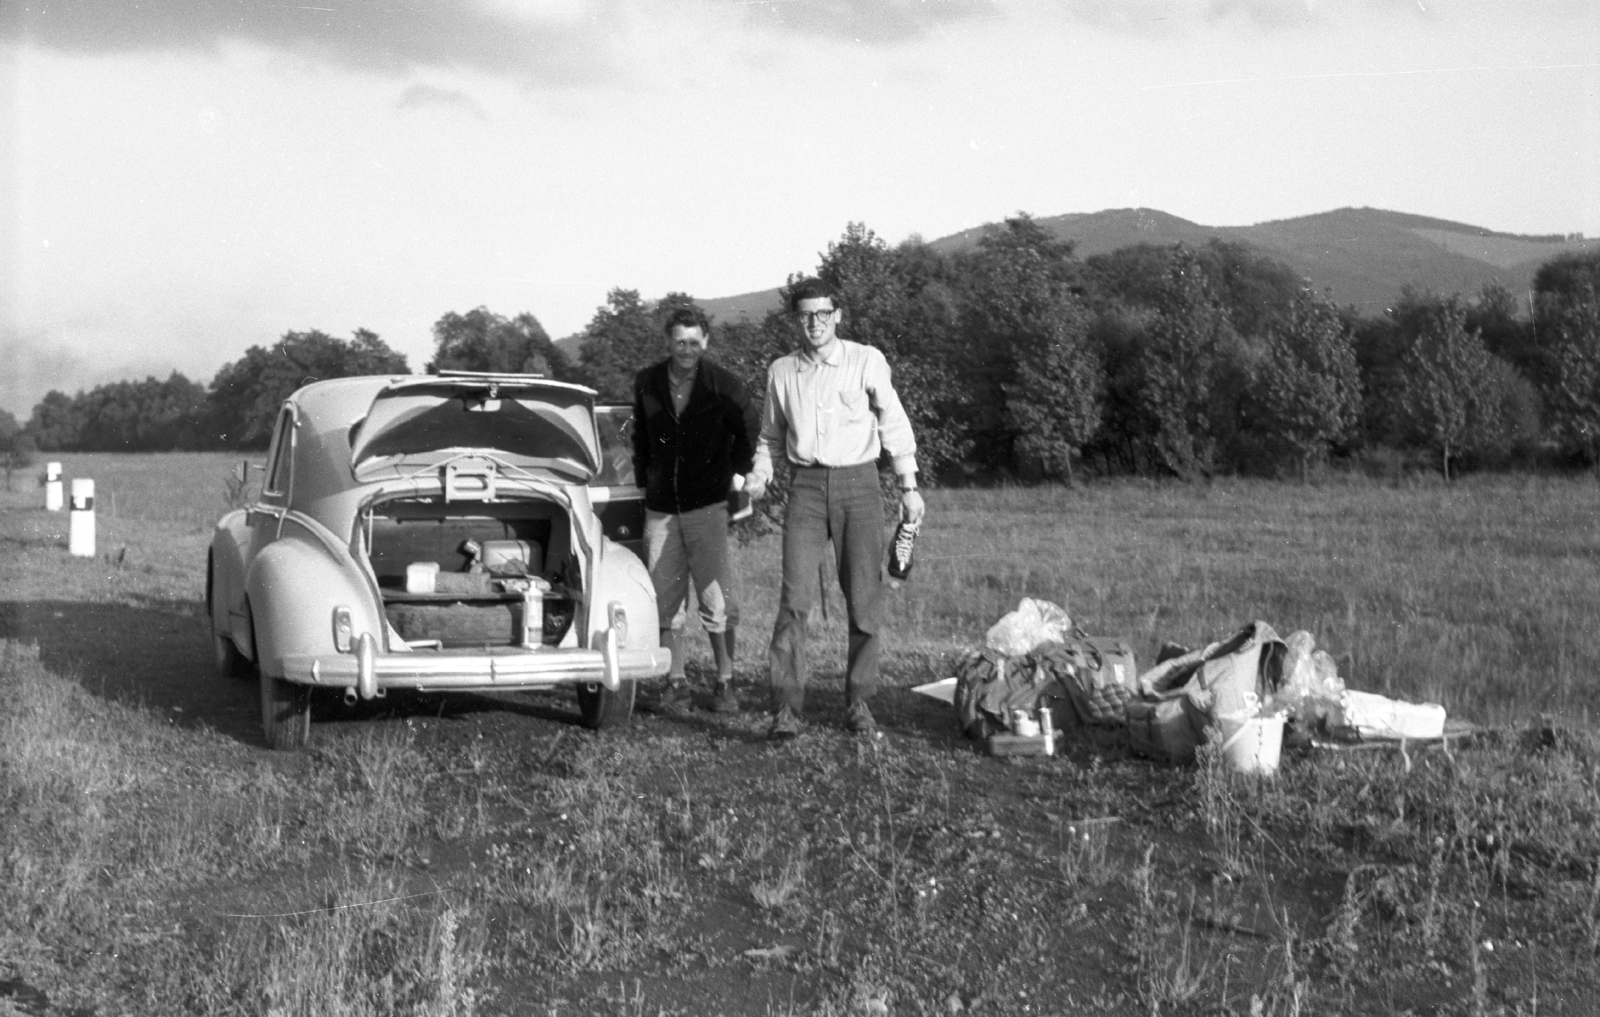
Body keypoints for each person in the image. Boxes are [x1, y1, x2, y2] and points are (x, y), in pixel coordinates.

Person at [747, 278, 926, 739]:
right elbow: (769, 436)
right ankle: (786, 710)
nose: (815, 323)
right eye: (806, 314)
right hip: (805, 488)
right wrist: (761, 474)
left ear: (838, 316)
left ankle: (860, 704)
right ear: (797, 319)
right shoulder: (782, 371)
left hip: (859, 485)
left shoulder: (866, 360)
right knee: (794, 602)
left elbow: (893, 422)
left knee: (864, 603)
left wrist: (908, 487)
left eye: (823, 313)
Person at [632, 305, 760, 714]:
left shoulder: (725, 386)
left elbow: (750, 434)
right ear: (667, 342)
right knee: (666, 601)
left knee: (717, 601)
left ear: (706, 342)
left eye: (694, 341)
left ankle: (725, 683)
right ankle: (676, 683)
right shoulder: (647, 382)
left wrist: (734, 477)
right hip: (661, 511)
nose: (686, 349)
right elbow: (639, 436)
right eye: (678, 341)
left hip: (708, 508)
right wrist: (643, 479)